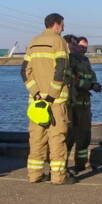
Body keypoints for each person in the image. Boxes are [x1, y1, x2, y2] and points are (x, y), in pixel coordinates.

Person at [21, 13, 75, 185]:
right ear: (56, 24)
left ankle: (34, 174)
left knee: (36, 139)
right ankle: (58, 176)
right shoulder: (58, 41)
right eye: (62, 25)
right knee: (57, 138)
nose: (63, 28)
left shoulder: (33, 42)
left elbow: (24, 71)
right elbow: (61, 69)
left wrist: (36, 93)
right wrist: (51, 96)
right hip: (56, 102)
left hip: (36, 102)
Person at [68, 36, 101, 172]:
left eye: (85, 48)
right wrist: (89, 85)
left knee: (84, 136)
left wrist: (95, 84)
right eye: (81, 46)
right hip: (73, 104)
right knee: (69, 137)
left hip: (85, 104)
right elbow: (73, 81)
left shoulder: (86, 61)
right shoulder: (69, 60)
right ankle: (61, 166)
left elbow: (91, 76)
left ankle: (81, 164)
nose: (83, 49)